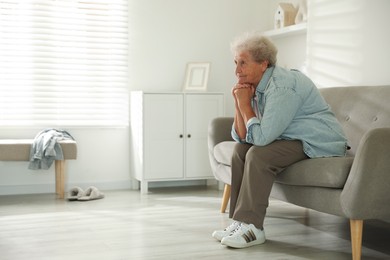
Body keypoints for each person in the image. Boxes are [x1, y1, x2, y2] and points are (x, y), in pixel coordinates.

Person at [212, 32, 348, 249]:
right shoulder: (255, 85)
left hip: (317, 139)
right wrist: (239, 103)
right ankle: (240, 221)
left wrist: (245, 106)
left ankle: (253, 228)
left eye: (243, 63)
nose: (237, 71)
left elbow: (262, 139)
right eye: (236, 63)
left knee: (258, 155)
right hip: (289, 137)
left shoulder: (282, 86)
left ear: (263, 64)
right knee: (240, 150)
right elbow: (241, 136)